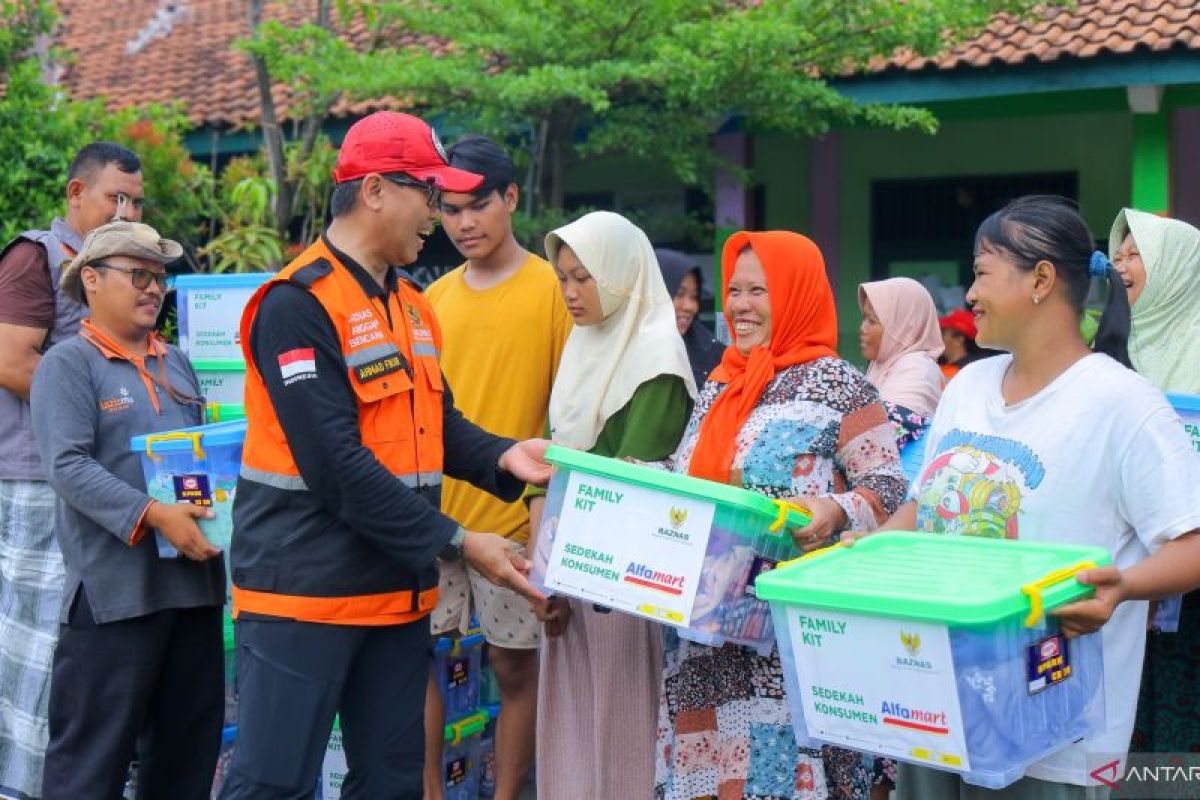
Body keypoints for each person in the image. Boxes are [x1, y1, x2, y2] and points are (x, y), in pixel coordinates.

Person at [217, 112, 552, 799]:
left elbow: (438, 423)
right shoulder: (296, 304)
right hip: (301, 599)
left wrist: (505, 457)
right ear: (374, 191)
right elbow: (334, 463)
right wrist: (458, 540)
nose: (440, 215)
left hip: (394, 600)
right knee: (272, 785)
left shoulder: (410, 305)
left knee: (393, 784)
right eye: (429, 194)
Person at [849, 195, 1200, 799]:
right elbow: (926, 502)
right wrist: (865, 552)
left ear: (1040, 279)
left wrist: (1122, 588)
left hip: (1052, 739)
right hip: (935, 709)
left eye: (982, 273)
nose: (970, 295)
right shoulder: (970, 386)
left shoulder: (1124, 404)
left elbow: (1191, 544)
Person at [656, 231, 907, 800]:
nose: (739, 306)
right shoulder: (720, 384)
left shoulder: (840, 385)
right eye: (734, 290)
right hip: (705, 638)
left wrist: (835, 510)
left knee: (782, 780)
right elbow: (688, 475)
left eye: (758, 291)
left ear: (794, 293)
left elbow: (888, 488)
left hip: (791, 643)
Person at [29, 221, 221, 799]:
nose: (153, 288)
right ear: (91, 279)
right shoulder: (69, 364)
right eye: (138, 274)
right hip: (115, 599)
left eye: (159, 276)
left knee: (185, 764)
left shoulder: (177, 362)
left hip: (193, 590)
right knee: (90, 768)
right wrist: (156, 515)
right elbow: (68, 467)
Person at [423, 134, 571, 800]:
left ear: (512, 198)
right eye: (449, 210)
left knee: (516, 673)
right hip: (435, 521)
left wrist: (545, 521)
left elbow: (565, 417)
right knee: (425, 669)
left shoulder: (552, 292)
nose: (463, 223)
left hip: (517, 520)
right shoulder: (433, 299)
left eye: (477, 205)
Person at [530, 211, 696, 800]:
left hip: (623, 583)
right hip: (569, 574)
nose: (571, 293)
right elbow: (550, 465)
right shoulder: (584, 348)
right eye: (563, 279)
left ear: (622, 274)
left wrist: (562, 565)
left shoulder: (654, 360)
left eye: (584, 277)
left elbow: (634, 489)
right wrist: (543, 575)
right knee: (573, 725)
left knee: (623, 724)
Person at [0, 141, 144, 800]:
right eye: (116, 196)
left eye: (137, 201)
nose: (127, 209)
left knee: (80, 640)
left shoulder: (128, 270)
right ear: (75, 195)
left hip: (102, 482)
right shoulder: (36, 257)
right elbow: (8, 359)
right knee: (34, 639)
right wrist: (99, 413)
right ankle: (22, 785)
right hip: (33, 477)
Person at [1107, 208, 1200, 754]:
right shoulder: (1108, 349)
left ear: (1177, 267)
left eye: (1136, 253)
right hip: (1122, 582)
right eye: (1117, 254)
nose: (1120, 265)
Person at [858, 276, 944, 418]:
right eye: (864, 319)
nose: (863, 328)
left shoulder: (917, 370)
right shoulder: (881, 366)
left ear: (905, 328)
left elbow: (885, 431)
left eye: (872, 321)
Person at [656, 248, 724, 387]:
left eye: (694, 296)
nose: (690, 307)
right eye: (679, 294)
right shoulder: (624, 346)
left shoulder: (713, 355)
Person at [938, 307, 995, 380]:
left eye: (942, 333)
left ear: (958, 340)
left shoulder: (969, 372)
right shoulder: (939, 366)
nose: (937, 336)